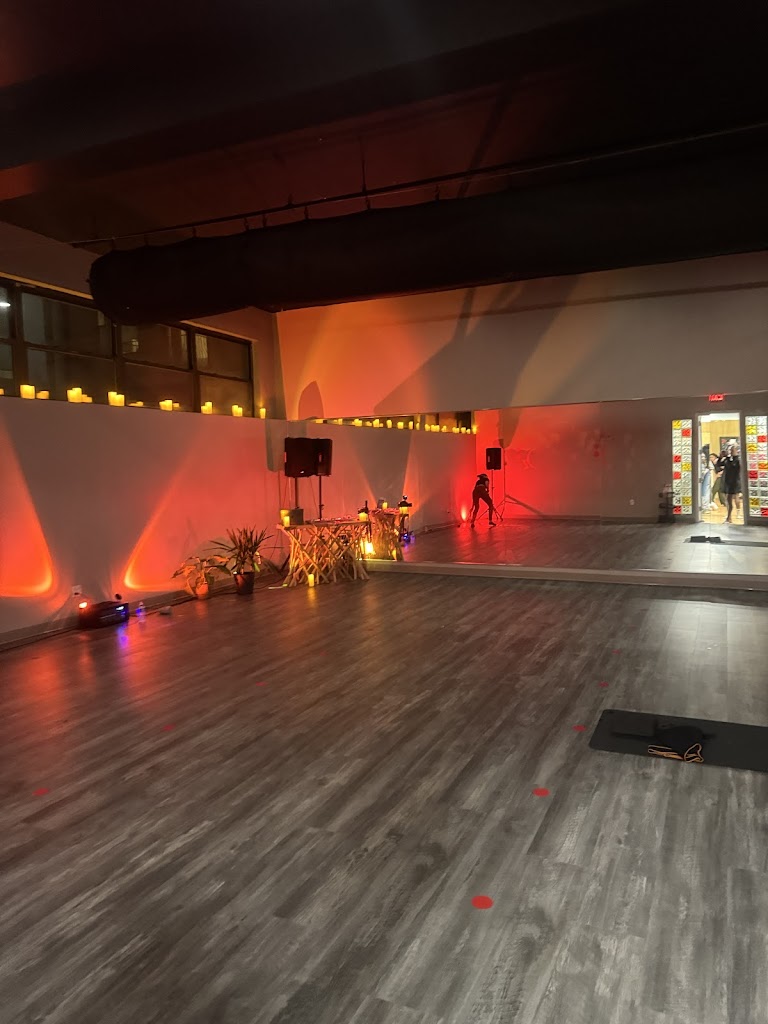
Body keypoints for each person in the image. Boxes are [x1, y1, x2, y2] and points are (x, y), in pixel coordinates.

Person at [721, 441, 741, 523]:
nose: (731, 451)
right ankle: (729, 517)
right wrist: (722, 456)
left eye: (732, 450)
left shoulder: (737, 460)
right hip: (728, 481)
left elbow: (734, 467)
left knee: (734, 497)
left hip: (734, 482)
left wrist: (728, 458)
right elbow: (720, 464)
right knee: (728, 499)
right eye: (730, 450)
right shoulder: (728, 459)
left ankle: (731, 516)